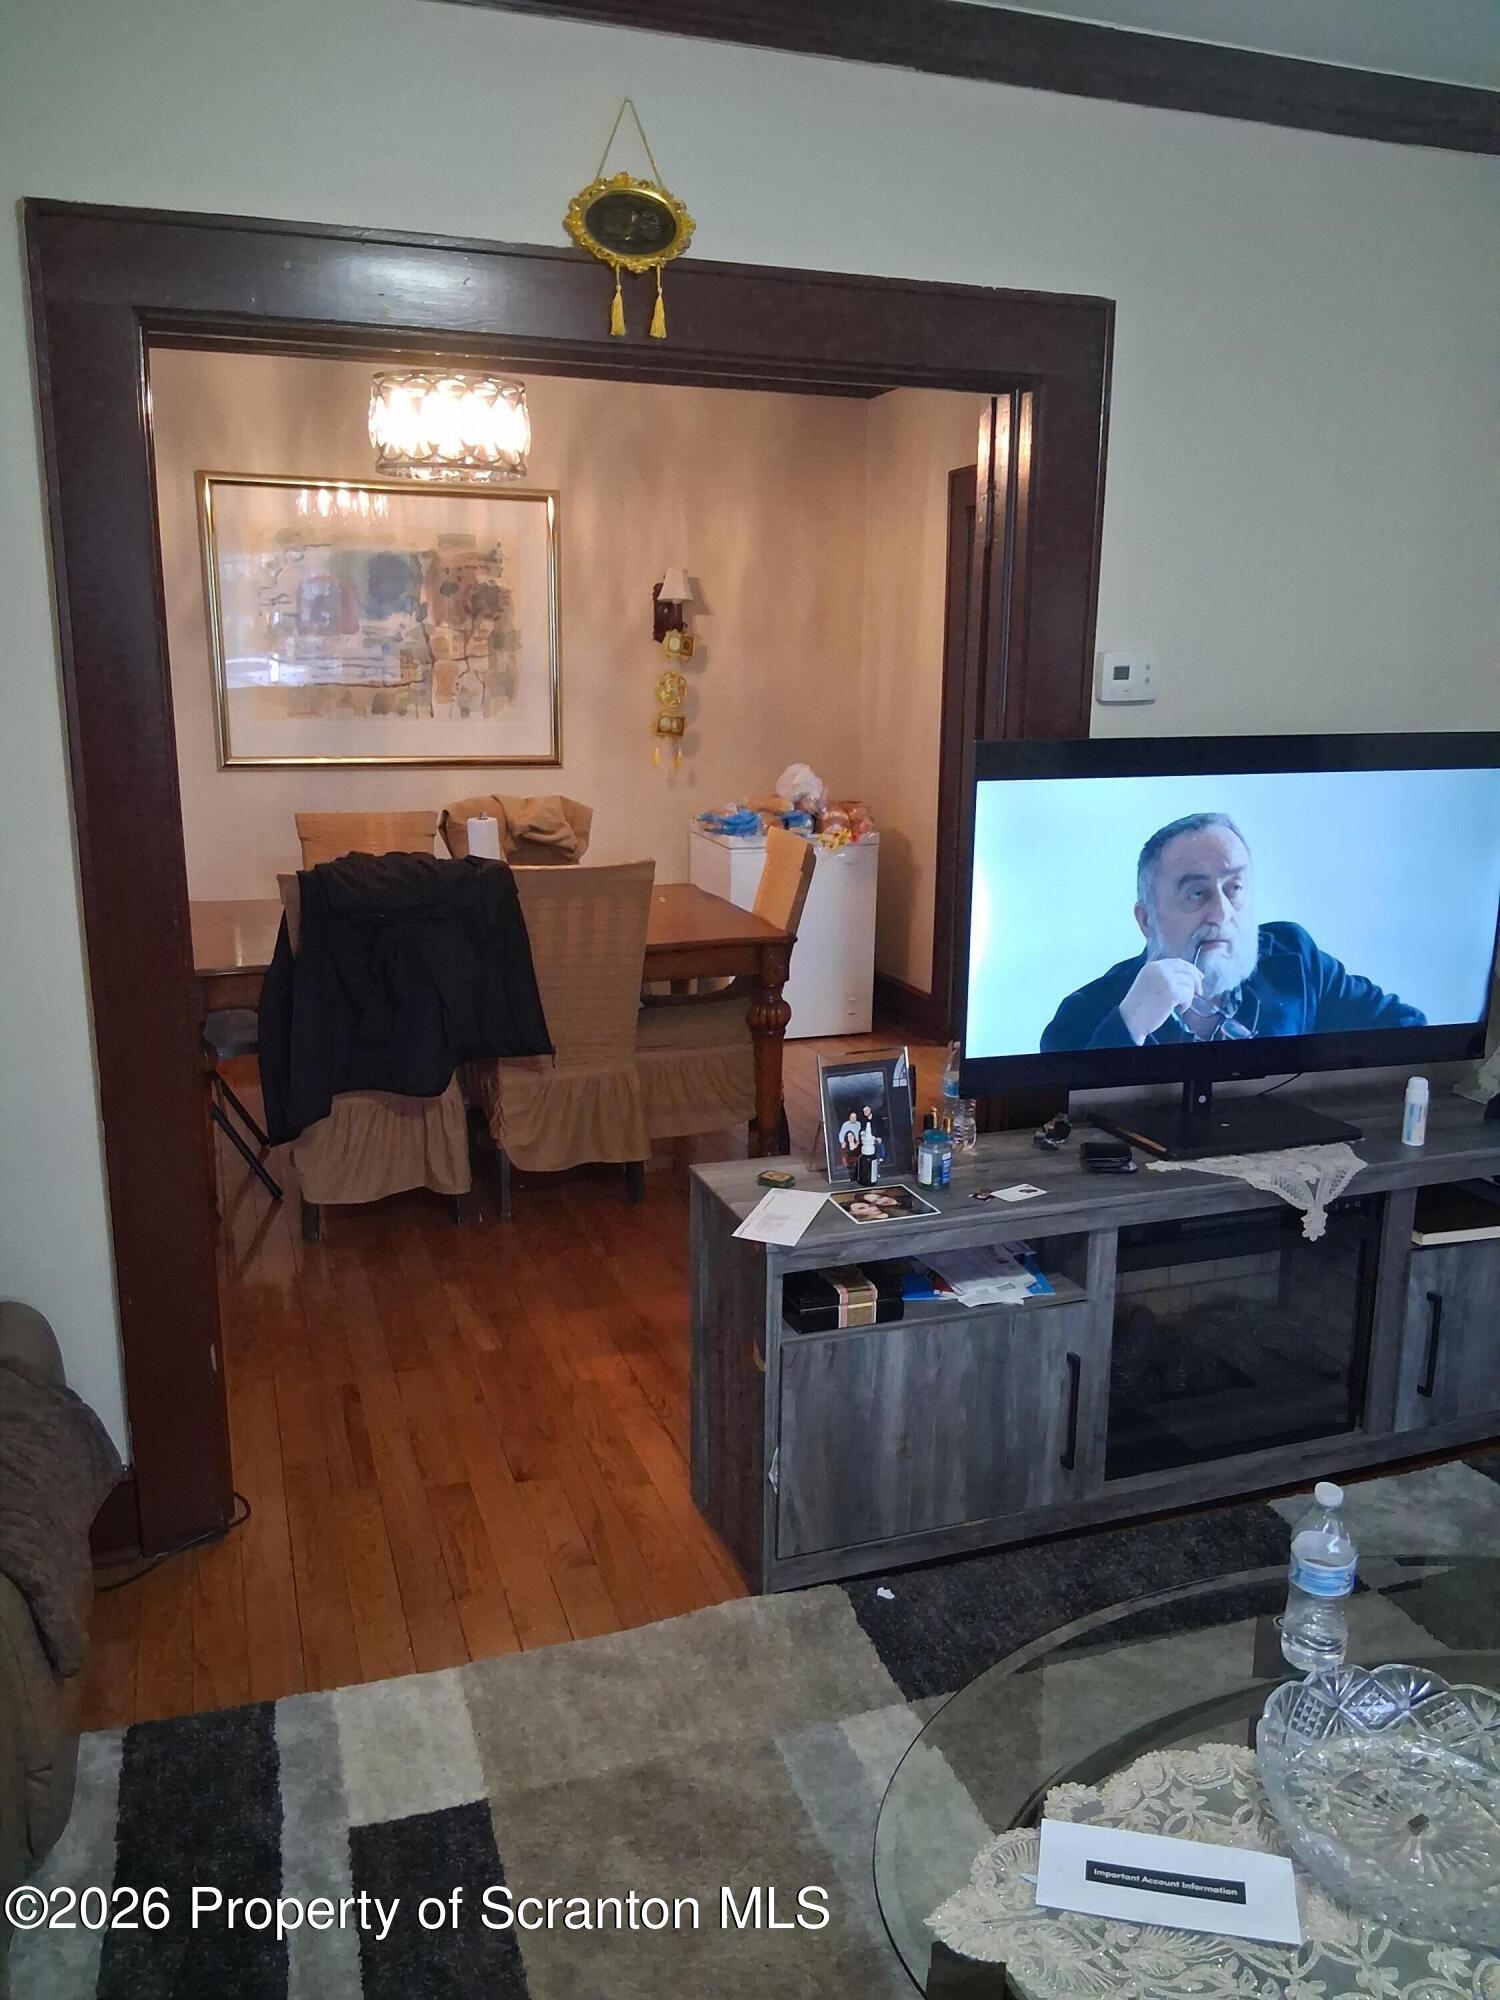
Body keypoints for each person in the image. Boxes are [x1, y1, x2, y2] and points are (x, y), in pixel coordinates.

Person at [1041, 812, 1426, 1051]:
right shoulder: (1085, 1013)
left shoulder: (1295, 958)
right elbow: (1058, 1127)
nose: (1221, 913)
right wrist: (1130, 1024)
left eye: (1235, 889)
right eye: (1196, 893)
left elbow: (1409, 1032)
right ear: (1146, 920)